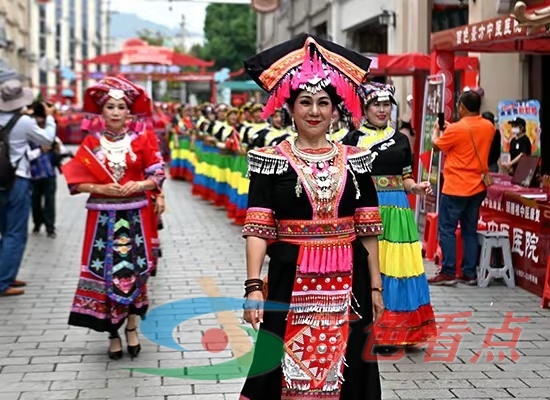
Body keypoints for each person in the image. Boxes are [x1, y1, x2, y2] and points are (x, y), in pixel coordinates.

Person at [240, 33, 384, 400]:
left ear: (336, 110)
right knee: (282, 365)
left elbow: (367, 227)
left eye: (323, 102)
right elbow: (258, 227)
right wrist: (254, 286)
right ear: (290, 108)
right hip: (290, 275)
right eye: (305, 102)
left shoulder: (356, 159)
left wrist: (377, 287)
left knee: (350, 361)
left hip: (349, 278)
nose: (314, 111)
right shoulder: (269, 160)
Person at [64, 76, 165, 359]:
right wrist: (99, 188)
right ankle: (111, 331)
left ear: (129, 112)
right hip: (102, 220)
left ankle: (132, 326)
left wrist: (142, 185)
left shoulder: (142, 139)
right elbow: (75, 181)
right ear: (102, 112)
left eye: (121, 107)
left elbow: (158, 171)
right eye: (111, 107)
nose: (116, 112)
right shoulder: (90, 143)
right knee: (106, 272)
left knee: (135, 269)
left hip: (135, 216)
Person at [341, 82, 436, 354]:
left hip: (397, 210)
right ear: (365, 108)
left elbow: (405, 177)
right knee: (372, 267)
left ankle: (402, 330)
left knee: (399, 268)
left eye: (386, 105)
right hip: (365, 208)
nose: (382, 110)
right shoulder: (352, 140)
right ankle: (376, 332)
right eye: (376, 105)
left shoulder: (402, 139)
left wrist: (415, 187)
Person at [428, 90, 495, 286]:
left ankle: (448, 272)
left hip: (456, 186)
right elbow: (468, 134)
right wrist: (452, 129)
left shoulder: (456, 129)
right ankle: (469, 273)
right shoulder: (489, 126)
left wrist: (436, 130)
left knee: (447, 229)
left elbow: (436, 146)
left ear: (461, 107)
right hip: (478, 187)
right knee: (469, 230)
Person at [0, 71, 57, 297]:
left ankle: (7, 273)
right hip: (17, 180)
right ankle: (4, 281)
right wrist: (50, 118)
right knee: (15, 232)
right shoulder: (23, 121)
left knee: (3, 230)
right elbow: (47, 140)